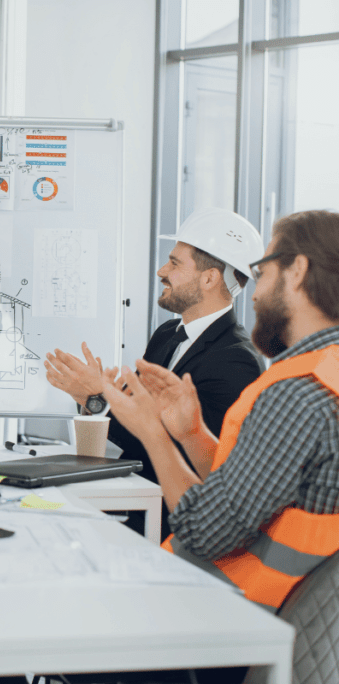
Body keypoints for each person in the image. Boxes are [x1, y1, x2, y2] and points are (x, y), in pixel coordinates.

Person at [102, 209, 339, 617]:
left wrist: (153, 433)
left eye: (263, 272)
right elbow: (249, 494)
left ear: (297, 271)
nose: (256, 292)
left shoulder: (298, 395)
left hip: (221, 616)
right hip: (256, 615)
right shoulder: (324, 375)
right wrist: (192, 433)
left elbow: (201, 531)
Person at [44, 209, 265, 536]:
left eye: (175, 263)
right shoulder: (167, 334)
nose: (162, 271)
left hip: (172, 525)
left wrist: (99, 395)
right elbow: (137, 430)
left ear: (209, 278)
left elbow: (196, 462)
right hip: (133, 503)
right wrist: (93, 397)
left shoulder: (236, 361)